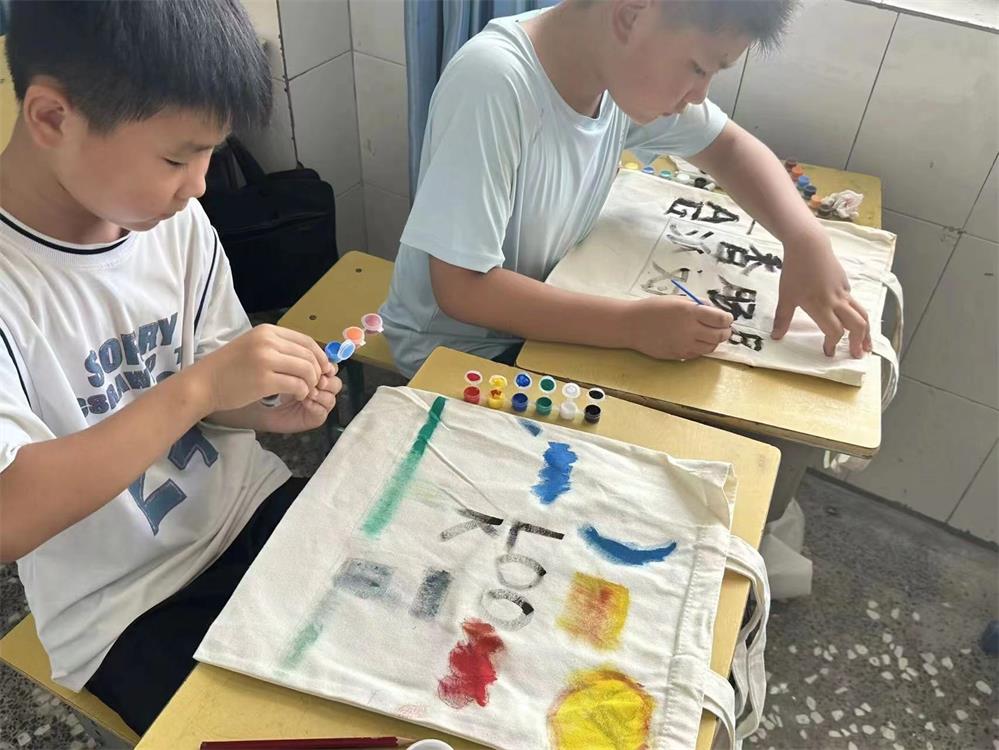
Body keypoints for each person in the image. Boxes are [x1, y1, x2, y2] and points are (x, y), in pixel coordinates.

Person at [0, 0, 340, 732]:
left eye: (211, 154)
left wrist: (263, 402)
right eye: (176, 158)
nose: (200, 185)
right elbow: (8, 514)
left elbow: (213, 384)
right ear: (53, 118)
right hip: (126, 604)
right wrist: (201, 388)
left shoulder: (173, 221)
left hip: (247, 509)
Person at [380, 0, 872, 379]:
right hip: (457, 350)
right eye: (698, 68)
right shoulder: (494, 82)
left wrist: (805, 238)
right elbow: (463, 289)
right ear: (631, 15)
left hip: (538, 315)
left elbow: (729, 147)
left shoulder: (608, 72)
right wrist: (631, 326)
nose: (698, 96)